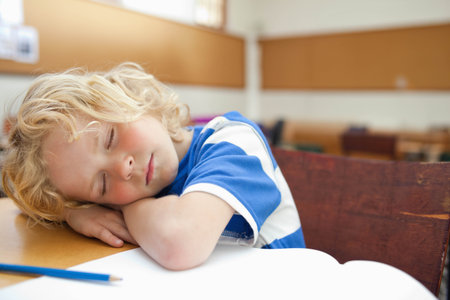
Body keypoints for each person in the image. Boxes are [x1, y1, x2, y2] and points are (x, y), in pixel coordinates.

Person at [2, 62, 305, 270]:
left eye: (109, 138)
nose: (123, 169)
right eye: (102, 184)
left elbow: (179, 241)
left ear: (129, 99)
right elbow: (24, 200)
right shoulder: (136, 187)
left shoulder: (233, 139)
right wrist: (72, 212)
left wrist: (120, 206)